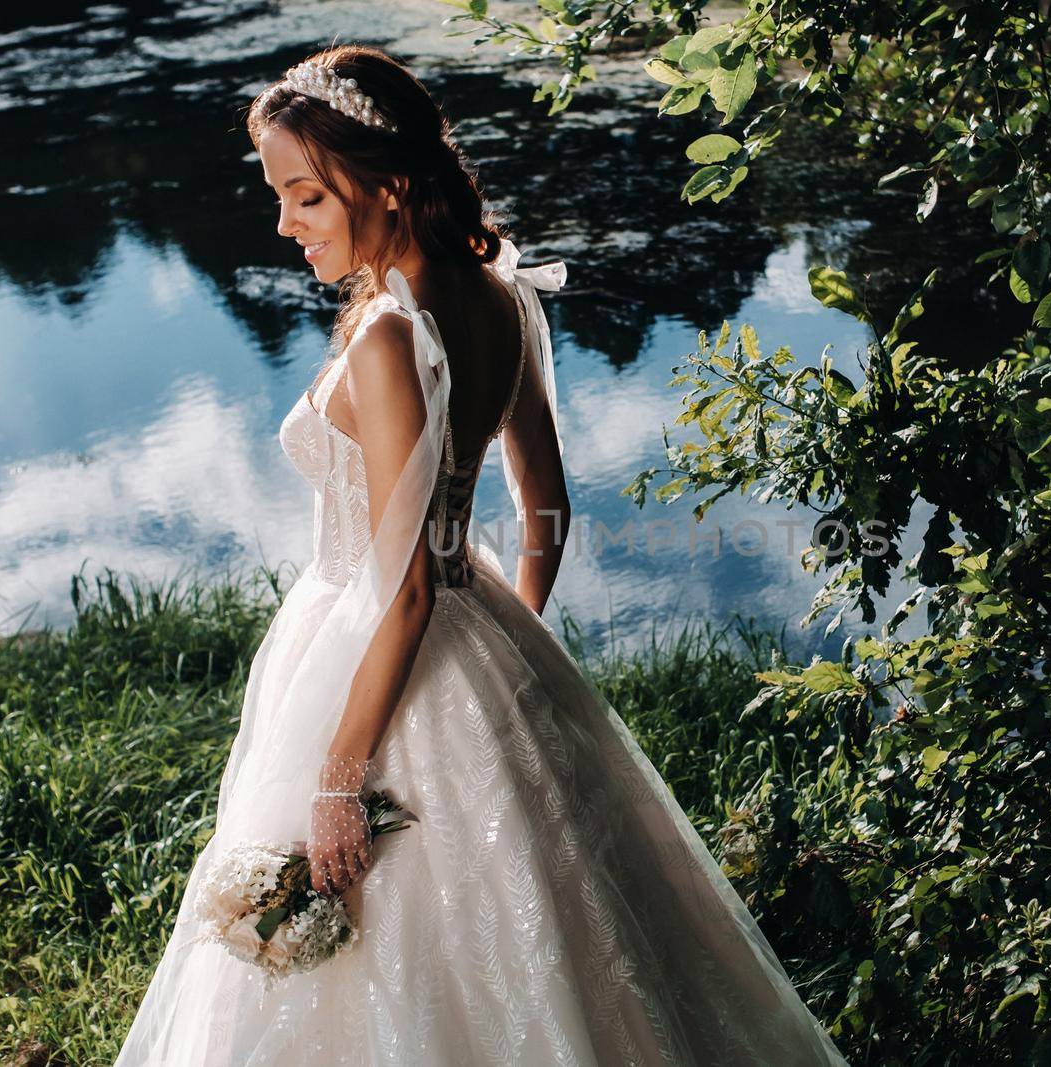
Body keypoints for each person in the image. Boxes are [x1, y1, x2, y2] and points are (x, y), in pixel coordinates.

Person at [115, 44, 848, 1066]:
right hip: (475, 624)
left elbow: (406, 584)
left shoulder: (384, 336)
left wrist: (339, 775)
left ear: (389, 183)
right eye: (279, 195)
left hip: (373, 637)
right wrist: (507, 643)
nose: (285, 224)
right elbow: (543, 505)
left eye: (307, 197)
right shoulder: (500, 296)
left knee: (378, 931)